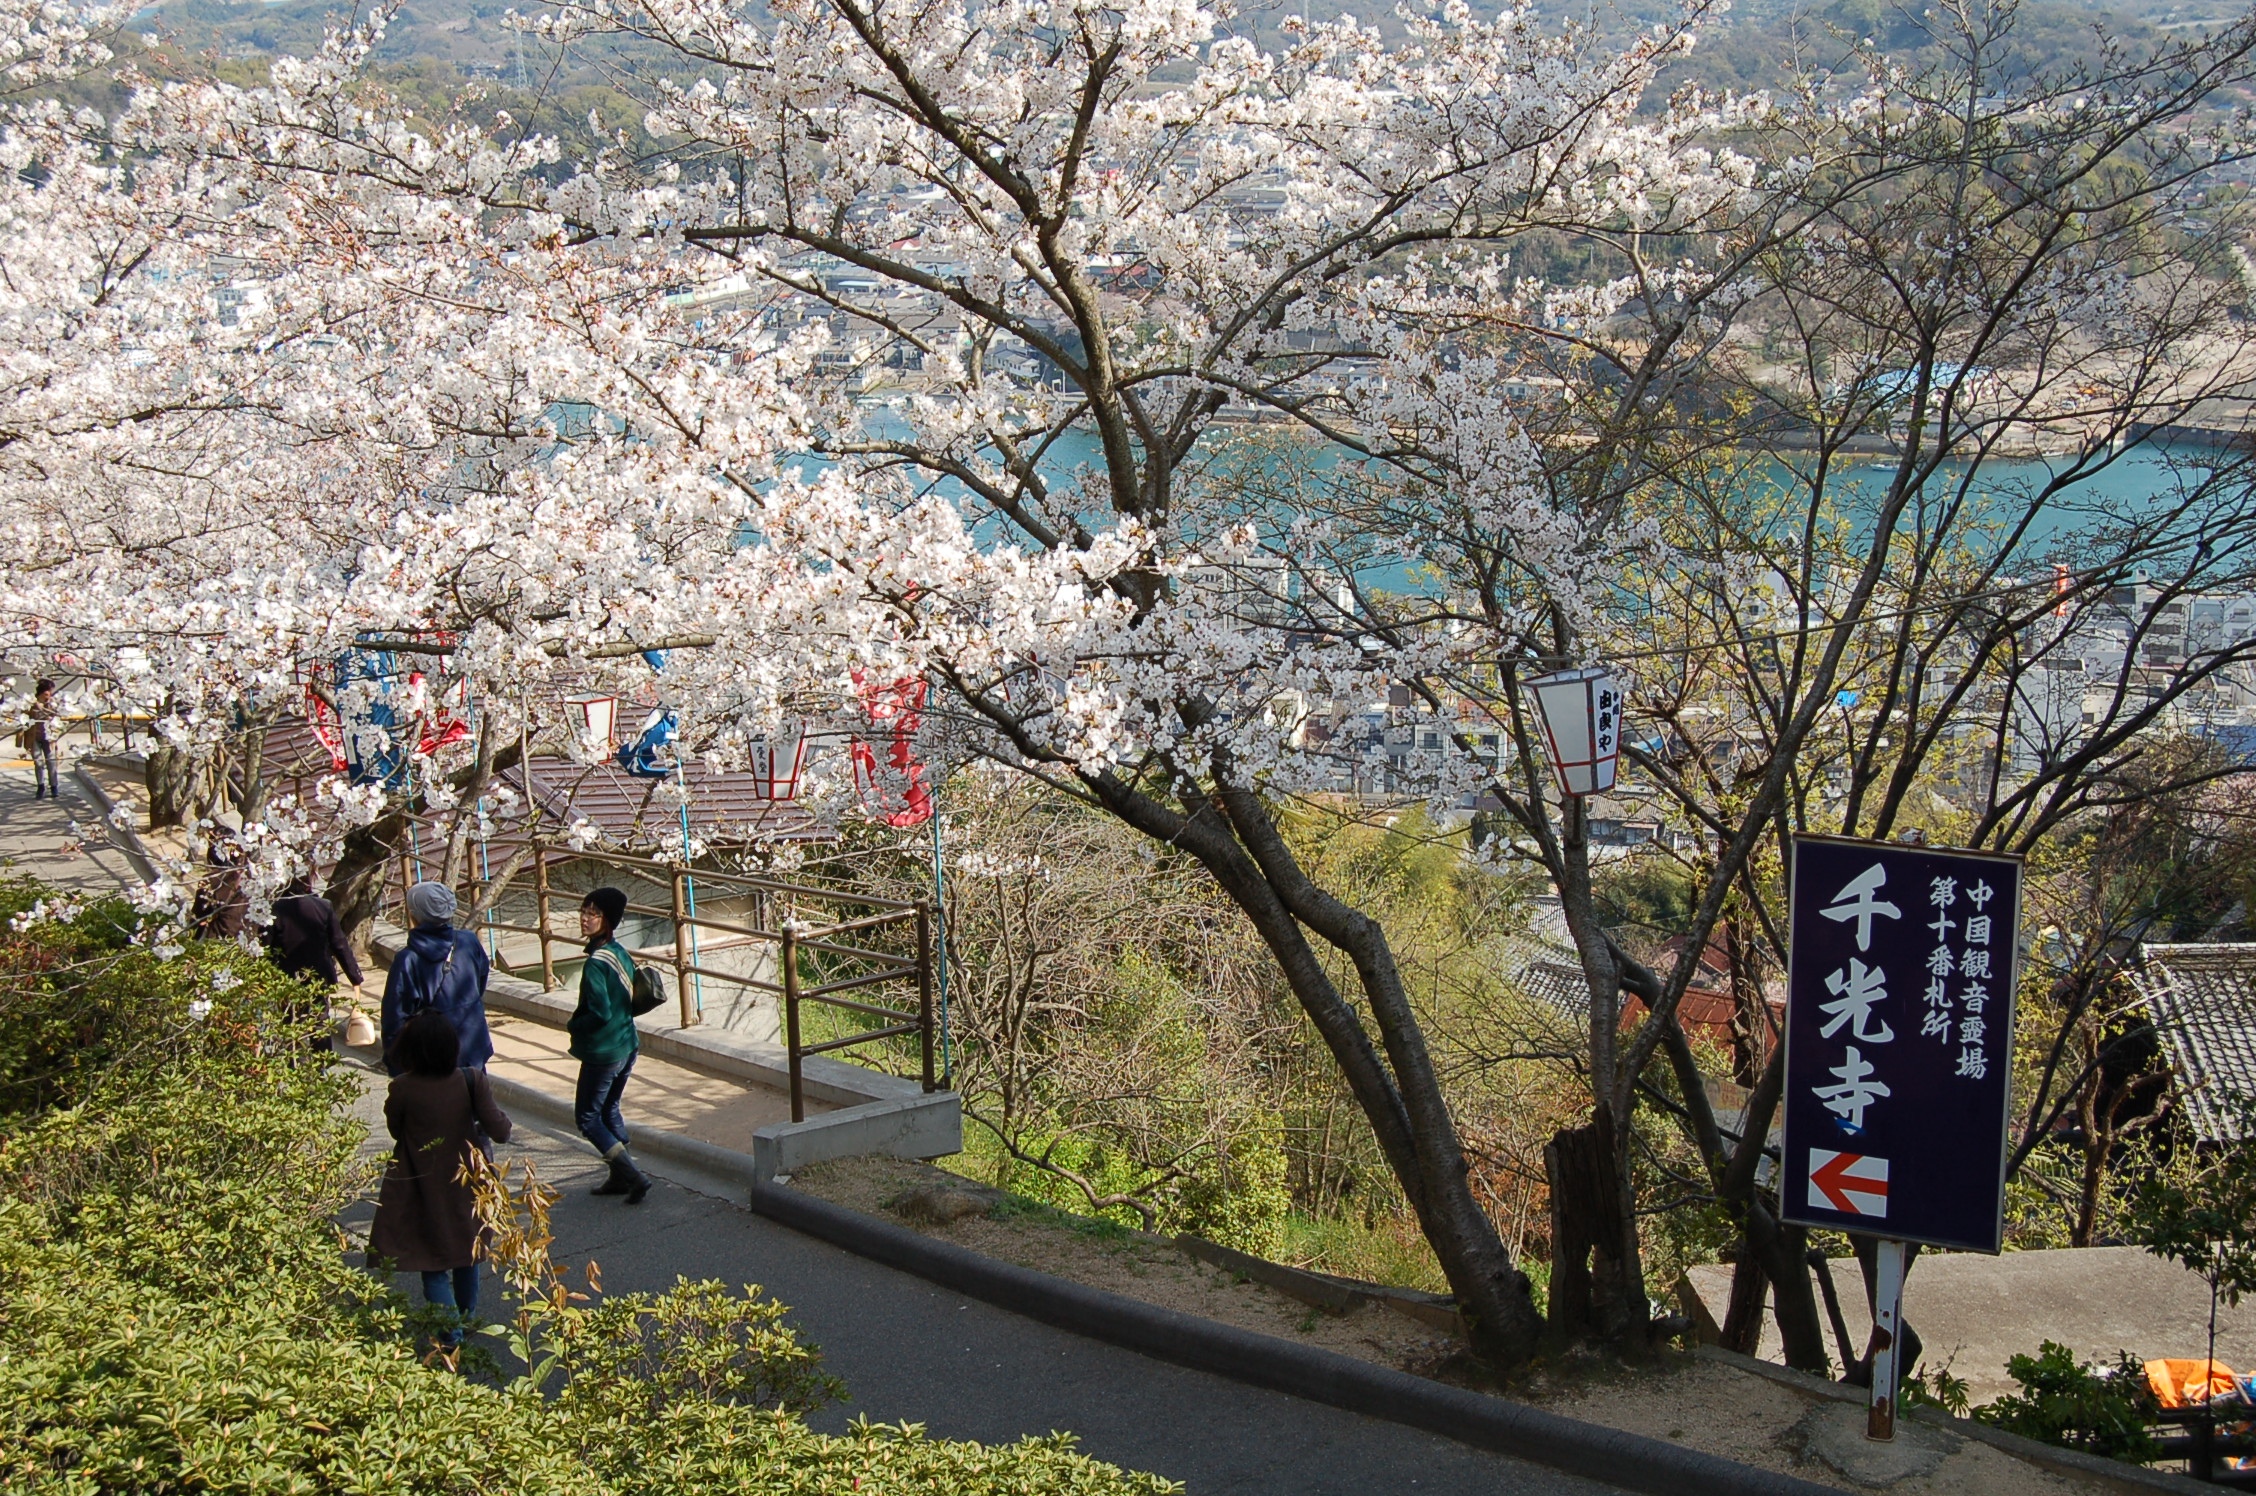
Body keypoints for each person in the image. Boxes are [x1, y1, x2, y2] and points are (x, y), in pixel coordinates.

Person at [368, 1009, 512, 1347]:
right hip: (467, 1179)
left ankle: (451, 1331)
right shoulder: (470, 1079)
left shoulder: (402, 1088)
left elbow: (395, 1130)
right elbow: (500, 1131)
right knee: (468, 1251)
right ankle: (464, 1317)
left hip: (420, 1181)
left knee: (432, 1260)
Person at [569, 886, 649, 1204]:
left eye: (594, 914)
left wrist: (574, 1025)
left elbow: (600, 1012)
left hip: (604, 1052)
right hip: (627, 1045)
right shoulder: (618, 953)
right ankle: (620, 1177)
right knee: (609, 1108)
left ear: (608, 920)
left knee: (588, 1118)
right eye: (584, 911)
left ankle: (633, 1176)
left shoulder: (595, 965)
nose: (585, 919)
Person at [381, 881, 493, 1076]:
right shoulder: (468, 941)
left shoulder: (408, 959)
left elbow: (395, 1017)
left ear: (414, 916)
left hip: (430, 1055)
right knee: (474, 1099)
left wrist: (396, 1065)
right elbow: (480, 981)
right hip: (473, 1043)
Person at [265, 874, 365, 1049]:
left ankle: (293, 1066)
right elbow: (339, 943)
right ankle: (321, 1065)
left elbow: (266, 946)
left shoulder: (275, 909)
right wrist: (354, 976)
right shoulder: (323, 906)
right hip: (318, 975)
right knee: (319, 1020)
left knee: (289, 1022)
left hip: (285, 977)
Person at [20, 677, 57, 799]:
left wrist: (46, 709)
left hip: (49, 737)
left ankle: (54, 786)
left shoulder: (51, 704)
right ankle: (41, 786)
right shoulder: (32, 705)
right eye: (46, 694)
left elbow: (57, 717)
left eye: (49, 694)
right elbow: (25, 721)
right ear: (40, 693)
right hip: (35, 737)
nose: (48, 696)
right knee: (38, 762)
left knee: (51, 761)